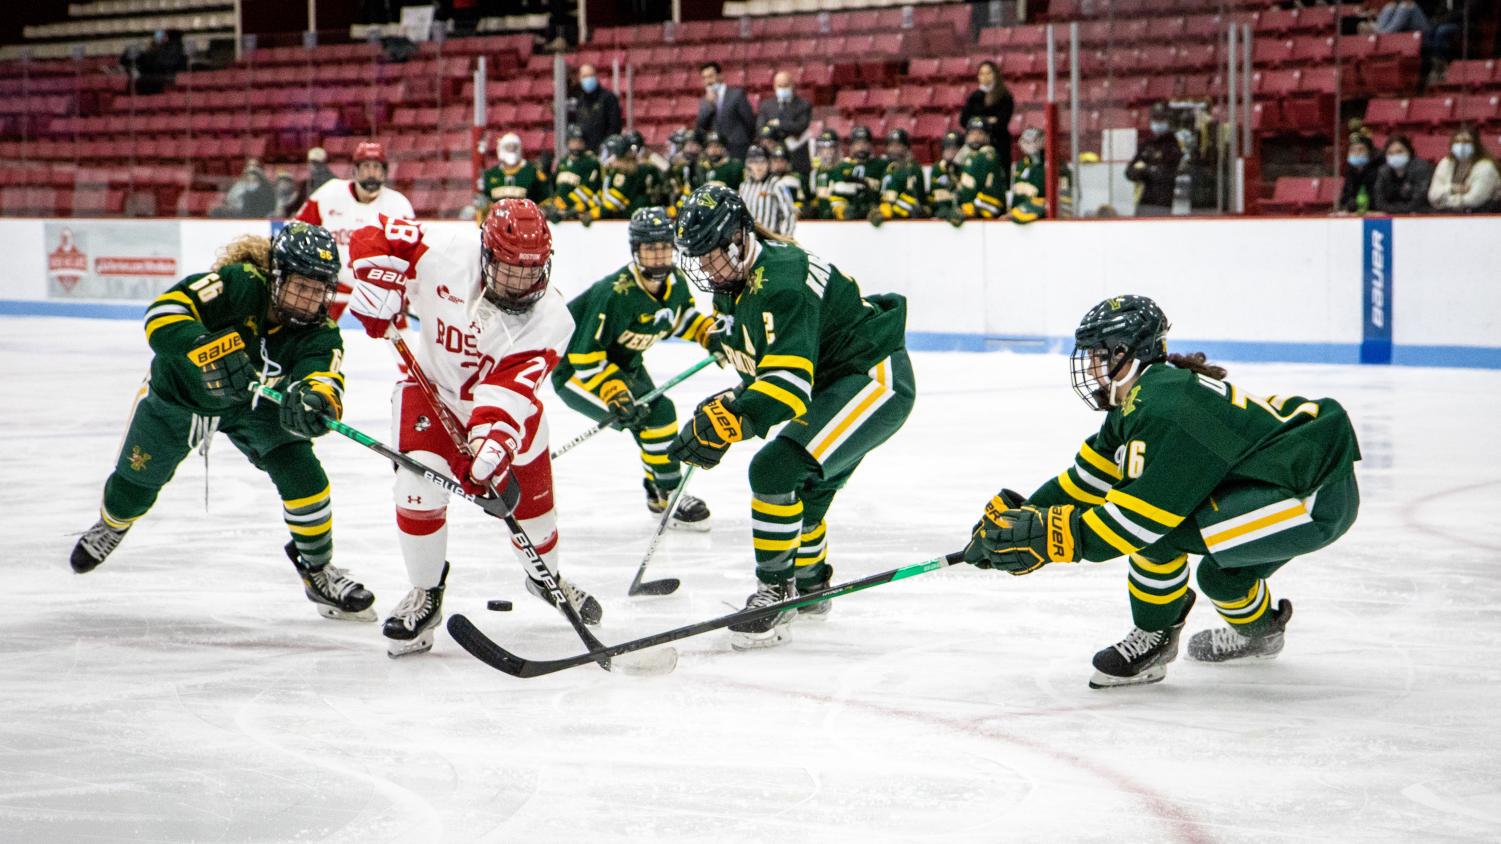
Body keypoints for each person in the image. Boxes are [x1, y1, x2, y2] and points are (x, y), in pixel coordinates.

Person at [961, 295, 1361, 689]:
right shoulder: (1141, 399)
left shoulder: (1166, 408)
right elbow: (1085, 482)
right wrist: (1021, 516)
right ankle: (1261, 633)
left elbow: (1136, 523)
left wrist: (1046, 538)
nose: (1090, 367)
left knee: (1162, 533)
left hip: (1310, 496)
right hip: (1287, 479)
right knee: (1221, 579)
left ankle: (1155, 636)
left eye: (1098, 355)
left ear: (1126, 353)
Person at [69, 223, 377, 623]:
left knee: (304, 475)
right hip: (180, 396)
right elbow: (163, 312)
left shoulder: (321, 333)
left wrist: (315, 401)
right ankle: (112, 523)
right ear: (276, 277)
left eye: (319, 290)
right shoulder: (238, 285)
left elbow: (324, 378)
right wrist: (203, 348)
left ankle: (316, 570)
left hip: (253, 406)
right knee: (135, 485)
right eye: (301, 286)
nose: (310, 300)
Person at [344, 199, 602, 657]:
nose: (521, 284)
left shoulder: (551, 319)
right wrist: (375, 280)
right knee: (417, 485)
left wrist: (489, 452)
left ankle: (547, 578)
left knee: (535, 513)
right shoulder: (443, 254)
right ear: (485, 254)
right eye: (509, 271)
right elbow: (376, 231)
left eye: (531, 271)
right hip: (431, 390)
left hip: (505, 416)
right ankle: (425, 594)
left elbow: (507, 395)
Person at [669, 184, 916, 650]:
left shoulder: (780, 279)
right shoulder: (741, 280)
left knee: (775, 468)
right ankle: (810, 585)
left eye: (712, 256)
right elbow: (767, 369)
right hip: (837, 380)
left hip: (872, 377)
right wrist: (727, 409)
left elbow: (786, 389)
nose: (705, 268)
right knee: (807, 486)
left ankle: (776, 594)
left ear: (739, 238)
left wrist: (727, 424)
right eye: (698, 259)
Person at [551, 207, 716, 529]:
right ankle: (667, 494)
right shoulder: (616, 292)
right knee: (655, 415)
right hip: (574, 371)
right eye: (650, 249)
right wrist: (613, 390)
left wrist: (709, 335)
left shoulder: (676, 282)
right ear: (635, 251)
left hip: (625, 366)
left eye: (664, 248)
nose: (658, 257)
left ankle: (661, 494)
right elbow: (585, 356)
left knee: (654, 417)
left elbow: (678, 319)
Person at [294, 141, 415, 320]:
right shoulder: (328, 193)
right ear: (355, 170)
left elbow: (410, 255)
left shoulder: (398, 205)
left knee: (404, 345)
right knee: (313, 338)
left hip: (380, 291)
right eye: (366, 166)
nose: (371, 173)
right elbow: (297, 231)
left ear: (385, 172)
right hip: (333, 288)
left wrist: (405, 295)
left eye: (377, 167)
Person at [959, 60, 1015, 186]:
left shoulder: (1004, 96)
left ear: (995, 74)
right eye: (981, 74)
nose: (985, 77)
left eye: (988, 73)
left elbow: (1001, 122)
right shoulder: (975, 96)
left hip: (999, 144)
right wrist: (988, 120)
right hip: (976, 145)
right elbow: (963, 120)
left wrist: (977, 120)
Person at [477, 132, 550, 222]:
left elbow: (545, 199)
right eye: (508, 147)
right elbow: (485, 202)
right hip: (497, 224)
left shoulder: (532, 171)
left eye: (514, 147)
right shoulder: (490, 174)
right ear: (501, 149)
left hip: (526, 223)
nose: (511, 150)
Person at [1427, 126, 1500, 213]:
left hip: (1483, 214)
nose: (1461, 146)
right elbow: (1432, 196)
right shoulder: (1446, 162)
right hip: (1451, 212)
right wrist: (1452, 188)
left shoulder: (1486, 167)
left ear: (1475, 145)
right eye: (1457, 142)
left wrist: (1444, 201)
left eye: (1466, 142)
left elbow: (1474, 200)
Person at [1126, 105, 1183, 217]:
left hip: (1162, 203)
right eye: (1155, 119)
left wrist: (1145, 170)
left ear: (1167, 121)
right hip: (1143, 201)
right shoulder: (1146, 144)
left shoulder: (1172, 146)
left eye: (1161, 119)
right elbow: (1129, 172)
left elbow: (1165, 174)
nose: (1158, 123)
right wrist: (1141, 171)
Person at [755, 71, 813, 175]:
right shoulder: (766, 106)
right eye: (780, 86)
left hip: (796, 157)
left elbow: (800, 126)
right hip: (772, 157)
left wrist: (778, 124)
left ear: (793, 85)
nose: (783, 89)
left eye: (786, 85)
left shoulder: (803, 105)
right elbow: (761, 129)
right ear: (774, 86)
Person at [695, 62, 757, 159]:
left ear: (720, 76)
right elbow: (700, 125)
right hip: (717, 150)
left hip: (738, 147)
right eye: (704, 78)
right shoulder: (705, 101)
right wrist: (709, 105)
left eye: (710, 76)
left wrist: (744, 140)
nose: (708, 81)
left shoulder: (737, 95)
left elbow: (749, 121)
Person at [1008, 126, 1069, 223]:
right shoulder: (1021, 165)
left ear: (1043, 141)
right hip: (1020, 211)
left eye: (1033, 141)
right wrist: (1012, 211)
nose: (1029, 145)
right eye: (1026, 141)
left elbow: (1063, 193)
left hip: (1043, 211)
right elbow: (1016, 193)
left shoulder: (1055, 163)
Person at [600, 134, 666, 219]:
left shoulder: (626, 172)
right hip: (643, 214)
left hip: (635, 216)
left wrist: (594, 213)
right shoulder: (644, 167)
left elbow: (615, 200)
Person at [546, 125, 603, 224]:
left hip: (577, 209)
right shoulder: (562, 162)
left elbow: (588, 189)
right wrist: (554, 202)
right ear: (568, 142)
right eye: (573, 141)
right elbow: (555, 186)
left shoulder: (591, 162)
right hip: (558, 207)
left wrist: (566, 205)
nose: (576, 144)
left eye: (580, 141)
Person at [828, 125, 885, 221]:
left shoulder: (881, 165)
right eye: (857, 143)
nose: (861, 146)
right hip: (847, 219)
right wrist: (843, 211)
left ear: (871, 145)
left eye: (864, 143)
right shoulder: (841, 168)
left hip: (874, 215)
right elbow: (835, 198)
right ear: (851, 146)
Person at [870, 129, 926, 226]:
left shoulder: (912, 170)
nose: (893, 149)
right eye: (890, 145)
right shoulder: (886, 168)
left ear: (906, 148)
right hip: (884, 219)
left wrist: (890, 211)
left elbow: (913, 200)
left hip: (905, 222)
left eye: (898, 145)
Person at [739, 146, 798, 236]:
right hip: (748, 241)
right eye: (754, 162)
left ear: (768, 164)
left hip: (770, 240)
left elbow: (789, 214)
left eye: (762, 162)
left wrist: (785, 238)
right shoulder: (744, 186)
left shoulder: (777, 184)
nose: (759, 167)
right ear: (748, 165)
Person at [955, 117, 1005, 222]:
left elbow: (992, 193)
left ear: (987, 136)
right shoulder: (967, 157)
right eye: (972, 133)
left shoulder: (989, 157)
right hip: (969, 215)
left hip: (985, 215)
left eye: (980, 133)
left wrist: (969, 209)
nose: (975, 137)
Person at [1371, 134, 1433, 213]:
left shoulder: (1421, 167)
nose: (1395, 156)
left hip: (1419, 215)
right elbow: (1379, 202)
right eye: (1390, 153)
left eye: (1399, 151)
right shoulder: (1383, 171)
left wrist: (1399, 210)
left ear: (1409, 152)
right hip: (1391, 214)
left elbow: (1419, 199)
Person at [571, 64, 621, 153]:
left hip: (605, 151)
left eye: (591, 75)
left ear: (596, 76)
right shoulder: (580, 101)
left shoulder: (608, 98)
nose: (588, 79)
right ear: (579, 79)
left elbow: (615, 126)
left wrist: (605, 147)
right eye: (585, 76)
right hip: (585, 152)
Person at [212, 158, 276, 219]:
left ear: (260, 170)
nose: (252, 169)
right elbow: (230, 199)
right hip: (239, 212)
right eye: (249, 166)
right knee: (216, 211)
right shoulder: (239, 184)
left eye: (255, 166)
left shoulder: (264, 186)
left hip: (256, 212)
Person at [1338, 135, 1383, 214]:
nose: (1356, 153)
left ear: (1370, 152)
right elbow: (1344, 199)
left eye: (1361, 149)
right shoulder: (1350, 173)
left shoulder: (1379, 171)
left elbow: (1379, 198)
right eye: (1352, 150)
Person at [666, 127, 705, 215]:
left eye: (694, 145)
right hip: (680, 203)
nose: (691, 148)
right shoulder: (676, 165)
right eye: (689, 145)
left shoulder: (704, 165)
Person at [928, 129, 964, 223]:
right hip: (943, 213)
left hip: (965, 212)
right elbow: (938, 199)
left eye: (955, 148)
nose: (951, 152)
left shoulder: (967, 167)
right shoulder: (938, 169)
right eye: (947, 148)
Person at [808, 128, 840, 220]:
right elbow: (812, 196)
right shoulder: (815, 173)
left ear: (836, 150)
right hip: (820, 219)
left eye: (830, 148)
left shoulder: (843, 169)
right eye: (823, 148)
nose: (827, 152)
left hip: (839, 218)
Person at [769, 144, 808, 219]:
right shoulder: (766, 180)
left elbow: (805, 203)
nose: (778, 164)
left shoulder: (795, 179)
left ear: (788, 163)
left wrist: (798, 209)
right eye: (775, 161)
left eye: (781, 161)